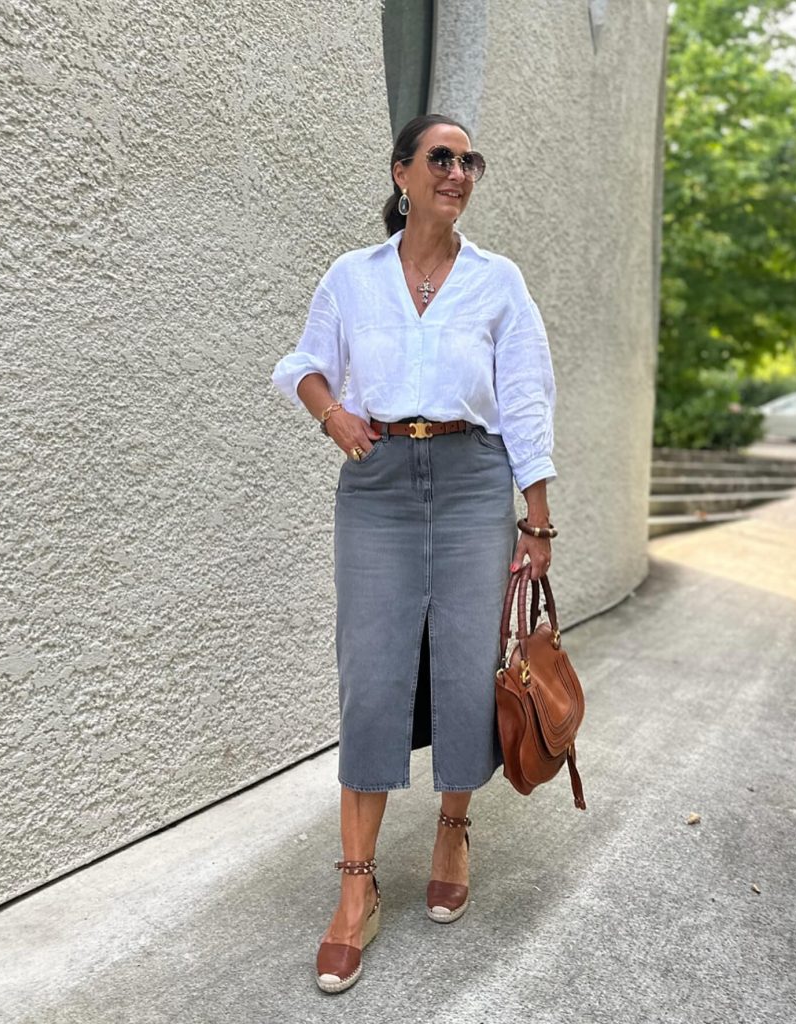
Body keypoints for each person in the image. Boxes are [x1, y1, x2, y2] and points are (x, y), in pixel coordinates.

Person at [270, 113, 556, 994]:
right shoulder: (352, 278)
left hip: (474, 477)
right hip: (380, 479)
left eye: (471, 158)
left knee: (469, 663)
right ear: (401, 172)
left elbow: (525, 395)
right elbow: (302, 364)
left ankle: (451, 829)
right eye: (441, 157)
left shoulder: (497, 281)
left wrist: (535, 521)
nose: (458, 172)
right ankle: (356, 888)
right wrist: (334, 416)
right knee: (374, 669)